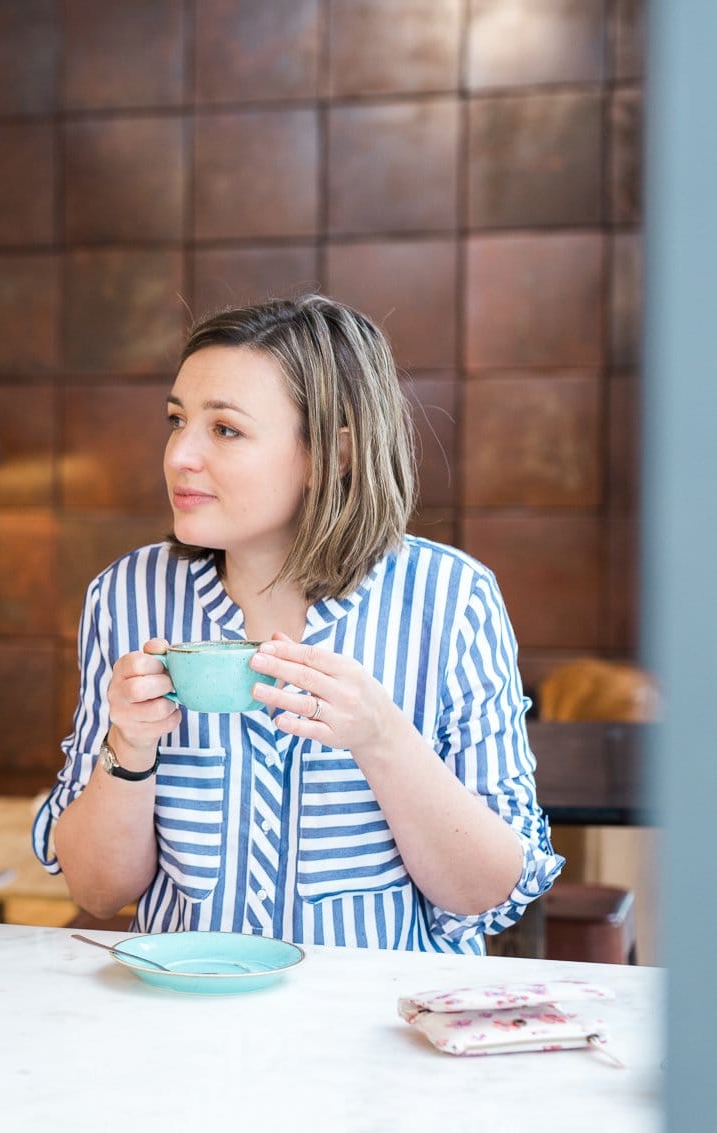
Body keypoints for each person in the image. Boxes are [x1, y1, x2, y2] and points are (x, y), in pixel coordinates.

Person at [33, 294, 562, 953]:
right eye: (177, 420)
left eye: (224, 429)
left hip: (379, 1029)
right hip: (183, 1023)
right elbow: (97, 890)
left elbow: (490, 890)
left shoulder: (452, 599)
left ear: (333, 453)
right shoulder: (127, 596)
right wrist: (130, 750)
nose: (178, 455)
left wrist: (382, 737)